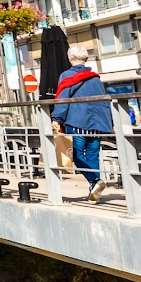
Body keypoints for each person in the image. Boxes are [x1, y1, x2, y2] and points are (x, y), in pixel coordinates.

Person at [49, 43, 114, 201]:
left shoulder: (67, 75)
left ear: (70, 58)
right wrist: (109, 122)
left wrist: (57, 118)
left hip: (77, 121)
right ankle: (94, 189)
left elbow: (63, 98)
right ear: (86, 59)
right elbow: (104, 102)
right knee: (93, 155)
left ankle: (95, 181)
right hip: (97, 124)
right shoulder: (95, 78)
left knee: (76, 155)